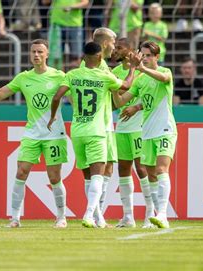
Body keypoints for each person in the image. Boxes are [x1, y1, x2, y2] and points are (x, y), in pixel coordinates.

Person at [0, 39, 69, 228]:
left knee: (55, 177)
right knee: (21, 172)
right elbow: (0, 94)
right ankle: (15, 218)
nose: (36, 55)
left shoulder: (59, 76)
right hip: (32, 134)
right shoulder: (23, 78)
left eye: (40, 52)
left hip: (54, 134)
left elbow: (75, 99)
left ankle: (61, 217)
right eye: (33, 52)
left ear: (47, 54)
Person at [48, 42, 137, 228]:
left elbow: (57, 97)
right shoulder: (105, 76)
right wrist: (134, 68)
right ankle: (89, 215)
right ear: (99, 57)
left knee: (88, 177)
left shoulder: (72, 75)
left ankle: (99, 219)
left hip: (78, 131)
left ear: (83, 57)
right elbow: (127, 86)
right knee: (98, 175)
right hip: (97, 131)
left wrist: (52, 118)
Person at [112, 41, 177, 229]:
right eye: (144, 55)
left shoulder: (165, 72)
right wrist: (114, 87)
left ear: (157, 57)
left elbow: (163, 79)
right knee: (150, 175)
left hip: (165, 129)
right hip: (147, 132)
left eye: (149, 55)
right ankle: (156, 216)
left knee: (161, 170)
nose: (146, 58)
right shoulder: (140, 80)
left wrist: (141, 68)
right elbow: (121, 101)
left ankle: (163, 214)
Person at [111, 38, 154, 228]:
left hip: (140, 126)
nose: (115, 51)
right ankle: (128, 216)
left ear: (130, 51)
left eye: (119, 48)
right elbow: (114, 102)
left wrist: (137, 107)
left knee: (142, 169)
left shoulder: (144, 70)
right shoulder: (114, 73)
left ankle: (150, 215)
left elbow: (153, 97)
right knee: (123, 169)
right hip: (121, 127)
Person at [80, 27, 117, 227]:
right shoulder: (99, 68)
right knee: (97, 170)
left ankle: (98, 214)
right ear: (104, 44)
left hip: (102, 124)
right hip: (99, 127)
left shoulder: (89, 64)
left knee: (107, 168)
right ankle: (95, 215)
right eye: (113, 41)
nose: (115, 45)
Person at [47, 0, 89, 69]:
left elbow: (85, 3)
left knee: (76, 57)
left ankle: (74, 78)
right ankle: (59, 77)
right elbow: (45, 2)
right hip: (57, 24)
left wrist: (71, 7)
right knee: (56, 57)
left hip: (74, 25)